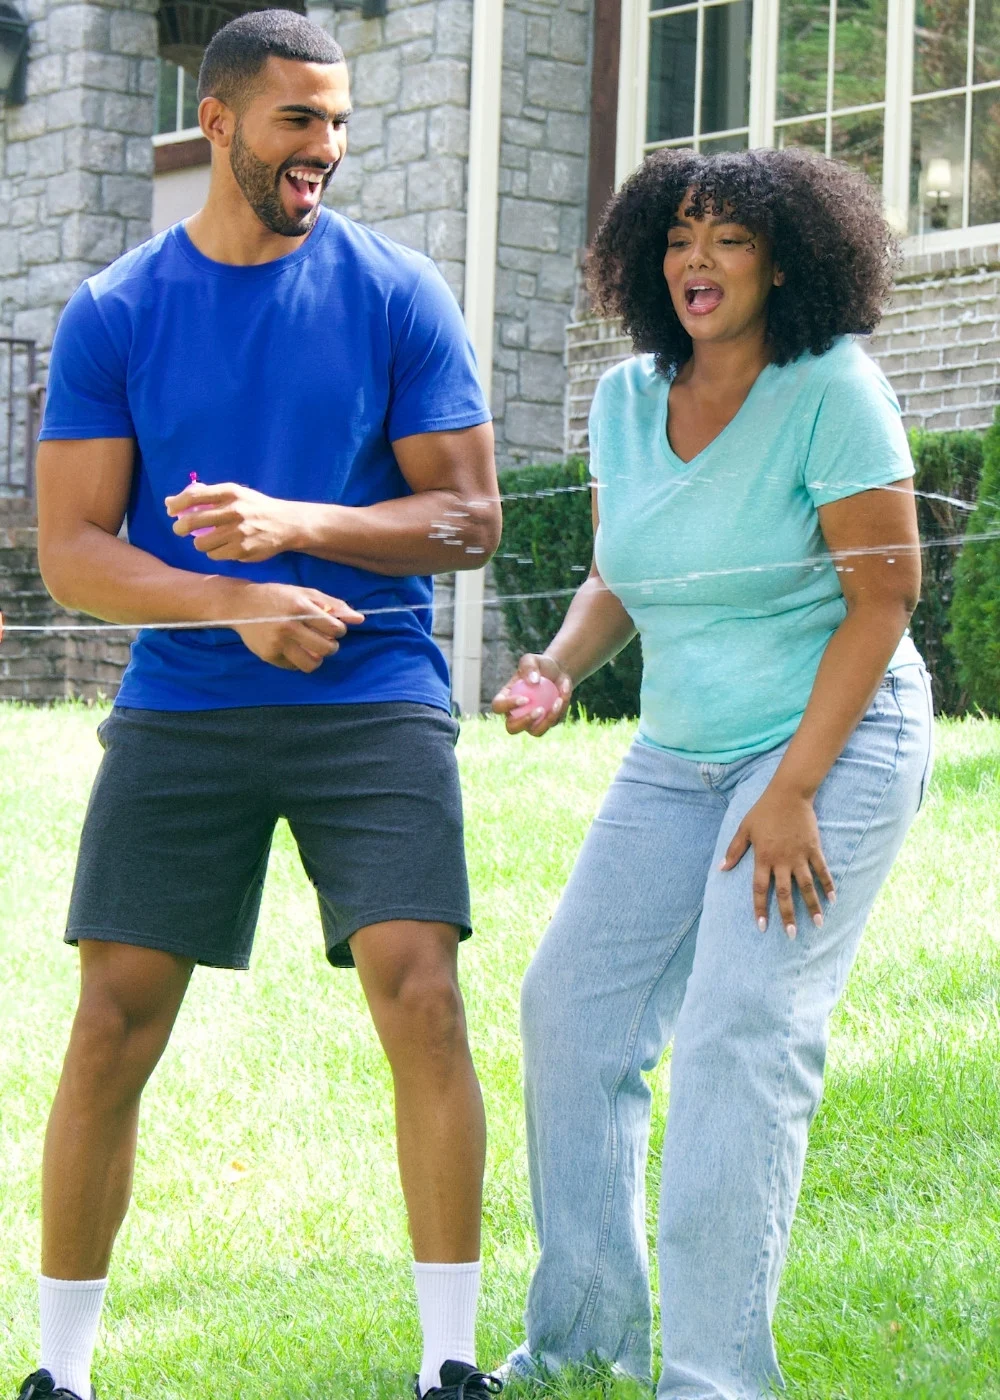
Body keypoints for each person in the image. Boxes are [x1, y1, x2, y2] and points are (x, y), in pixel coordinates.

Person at [18, 12, 504, 1400]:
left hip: (373, 694)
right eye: (300, 122)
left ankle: (450, 1364)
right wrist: (233, 602)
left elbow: (467, 519)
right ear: (219, 121)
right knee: (114, 1014)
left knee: (422, 991)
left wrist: (296, 528)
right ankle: (59, 1374)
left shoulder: (396, 292)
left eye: (340, 123)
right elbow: (74, 552)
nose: (327, 151)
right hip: (183, 701)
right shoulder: (119, 310)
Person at [493, 148, 934, 1400]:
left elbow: (885, 596)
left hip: (831, 739)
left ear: (785, 260)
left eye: (729, 238)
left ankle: (714, 1377)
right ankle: (581, 1337)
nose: (697, 259)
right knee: (570, 1009)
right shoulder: (630, 399)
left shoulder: (832, 388)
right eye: (680, 236)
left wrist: (793, 787)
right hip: (678, 752)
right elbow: (629, 567)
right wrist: (562, 666)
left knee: (742, 1031)